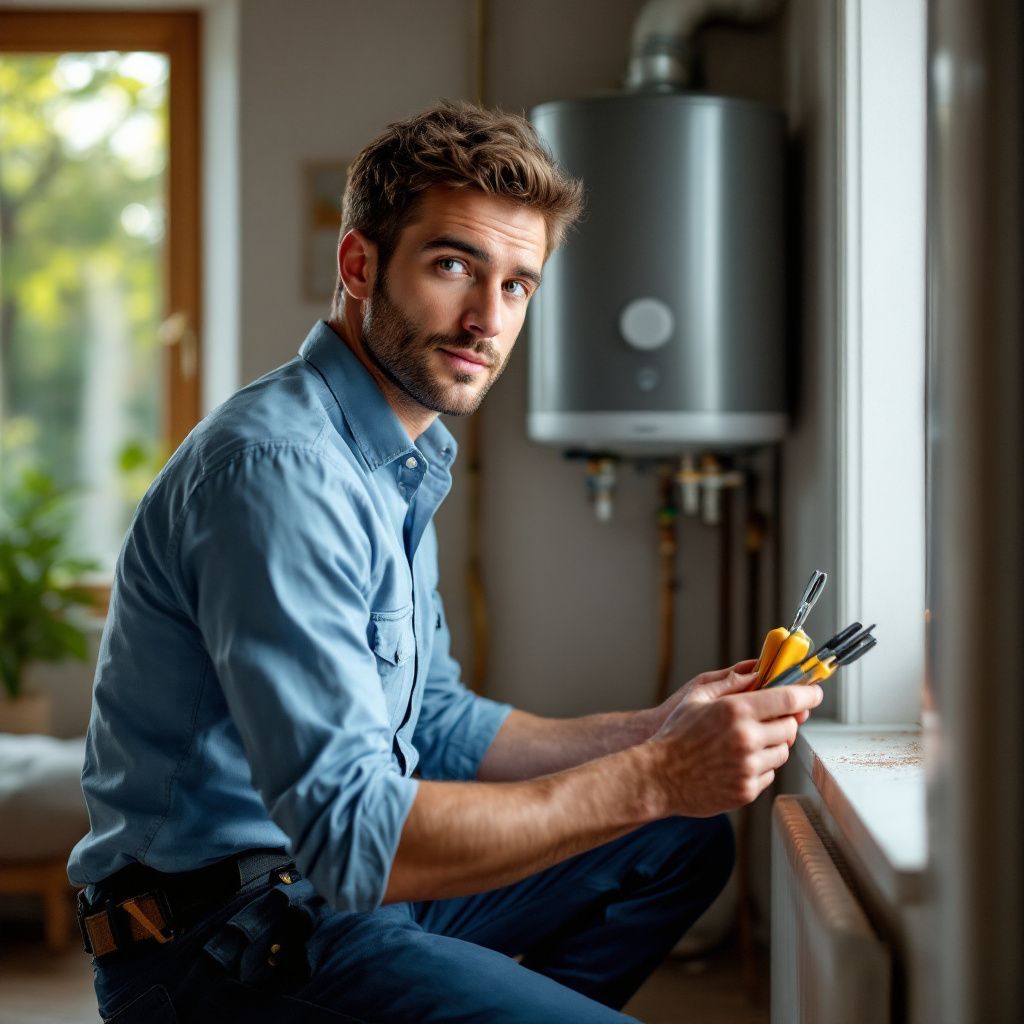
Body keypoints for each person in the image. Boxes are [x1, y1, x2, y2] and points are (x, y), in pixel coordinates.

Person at [69, 101, 821, 1023]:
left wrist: (654, 731)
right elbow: (355, 838)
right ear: (359, 265)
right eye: (454, 265)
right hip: (220, 950)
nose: (486, 319)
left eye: (517, 285)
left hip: (326, 900)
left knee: (676, 844)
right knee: (660, 808)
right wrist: (659, 774)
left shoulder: (393, 453)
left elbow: (437, 719)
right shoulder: (284, 471)